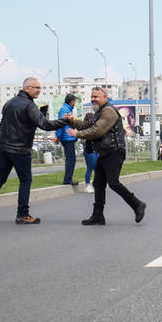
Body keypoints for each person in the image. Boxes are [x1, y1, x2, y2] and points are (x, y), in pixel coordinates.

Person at [0, 77, 68, 225]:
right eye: (36, 87)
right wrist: (66, 121)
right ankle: (23, 214)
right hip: (20, 149)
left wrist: (40, 114)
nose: (39, 90)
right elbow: (45, 125)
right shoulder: (29, 105)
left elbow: (17, 122)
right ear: (27, 88)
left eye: (40, 88)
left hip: (5, 147)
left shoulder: (9, 103)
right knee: (25, 180)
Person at [63, 87, 148, 226]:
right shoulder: (99, 112)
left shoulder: (108, 111)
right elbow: (87, 124)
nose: (93, 99)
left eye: (96, 96)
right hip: (104, 152)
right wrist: (73, 121)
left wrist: (77, 134)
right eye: (92, 96)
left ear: (105, 97)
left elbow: (97, 130)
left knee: (113, 182)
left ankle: (138, 204)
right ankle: (98, 216)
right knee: (98, 184)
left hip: (114, 151)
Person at [56, 93, 79, 185]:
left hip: (69, 137)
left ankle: (68, 178)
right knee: (71, 159)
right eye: (74, 102)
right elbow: (60, 124)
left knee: (71, 159)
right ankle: (67, 179)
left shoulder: (67, 109)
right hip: (67, 138)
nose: (75, 104)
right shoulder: (64, 110)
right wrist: (58, 136)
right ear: (72, 101)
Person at [81, 111, 98, 194]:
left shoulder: (95, 128)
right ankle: (87, 185)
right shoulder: (85, 130)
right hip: (89, 150)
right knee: (90, 168)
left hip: (96, 150)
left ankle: (95, 184)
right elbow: (84, 141)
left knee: (97, 168)